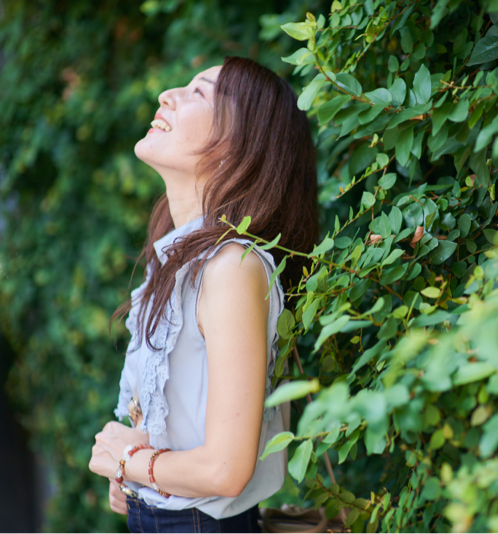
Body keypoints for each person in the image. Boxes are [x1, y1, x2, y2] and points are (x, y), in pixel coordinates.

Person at [87, 56, 318, 533]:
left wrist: (131, 461)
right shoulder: (178, 262)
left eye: (199, 92)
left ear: (240, 146)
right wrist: (134, 477)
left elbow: (225, 470)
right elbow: (173, 431)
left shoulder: (232, 267)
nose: (166, 95)